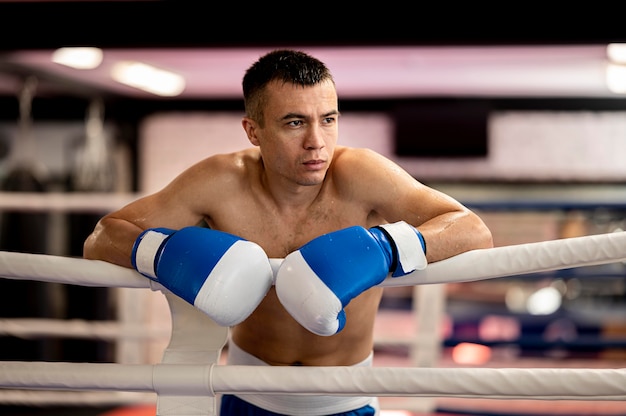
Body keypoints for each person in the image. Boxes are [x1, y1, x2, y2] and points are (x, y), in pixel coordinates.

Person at [83, 49, 494, 416]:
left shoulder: (362, 175)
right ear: (253, 131)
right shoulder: (220, 182)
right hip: (248, 396)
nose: (317, 142)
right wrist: (164, 252)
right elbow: (102, 237)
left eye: (328, 120)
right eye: (295, 123)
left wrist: (388, 248)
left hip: (345, 399)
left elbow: (473, 230)